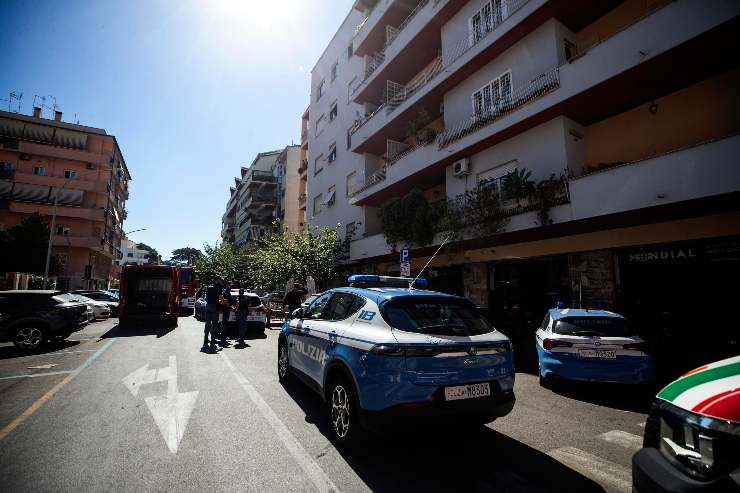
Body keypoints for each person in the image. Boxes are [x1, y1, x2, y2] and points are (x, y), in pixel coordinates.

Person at [203, 277, 223, 349]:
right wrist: (224, 303)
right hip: (214, 307)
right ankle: (212, 340)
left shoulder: (209, 286)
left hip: (208, 306)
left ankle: (205, 339)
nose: (221, 281)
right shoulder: (218, 287)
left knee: (207, 323)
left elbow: (207, 296)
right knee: (214, 324)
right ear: (217, 280)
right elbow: (221, 298)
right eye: (220, 280)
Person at [219, 281, 235, 345]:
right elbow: (225, 302)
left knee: (225, 323)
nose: (231, 286)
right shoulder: (226, 292)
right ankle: (223, 338)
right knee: (224, 324)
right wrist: (231, 307)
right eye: (230, 285)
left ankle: (224, 336)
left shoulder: (228, 292)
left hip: (227, 309)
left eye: (231, 285)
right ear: (227, 285)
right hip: (225, 310)